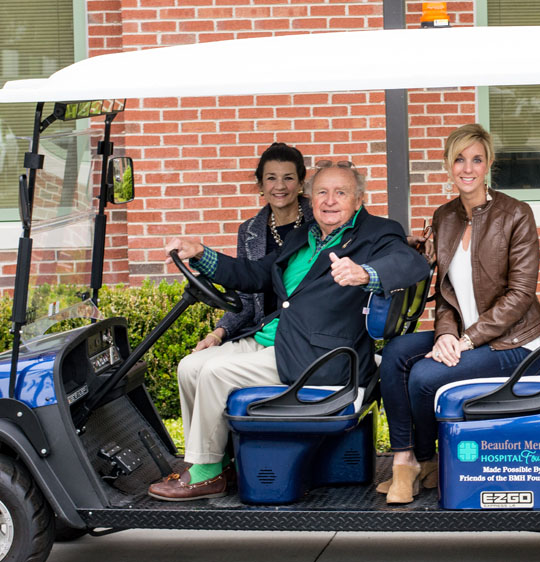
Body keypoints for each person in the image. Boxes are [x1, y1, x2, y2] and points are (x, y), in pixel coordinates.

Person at [148, 160, 430, 501]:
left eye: (340, 193)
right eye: (322, 192)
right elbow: (254, 275)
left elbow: (411, 263)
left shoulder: (377, 232)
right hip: (274, 338)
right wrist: (203, 255)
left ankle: (204, 470)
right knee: (190, 367)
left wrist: (365, 274)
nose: (330, 200)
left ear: (358, 199)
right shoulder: (304, 236)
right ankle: (219, 460)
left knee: (214, 373)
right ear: (311, 199)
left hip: (319, 357)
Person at [376, 123, 540, 504]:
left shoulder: (517, 214)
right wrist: (444, 335)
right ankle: (406, 458)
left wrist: (465, 341)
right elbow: (447, 294)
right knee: (395, 355)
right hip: (469, 336)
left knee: (424, 375)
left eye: (476, 159)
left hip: (519, 343)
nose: (467, 168)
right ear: (447, 164)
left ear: (488, 164)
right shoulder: (445, 217)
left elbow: (521, 295)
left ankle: (425, 460)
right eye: (459, 159)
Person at [194, 142, 313, 352]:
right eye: (271, 178)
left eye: (288, 178)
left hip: (301, 334)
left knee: (215, 372)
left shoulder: (318, 224)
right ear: (260, 185)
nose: (280, 186)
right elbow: (246, 298)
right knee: (190, 366)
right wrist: (218, 333)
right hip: (260, 332)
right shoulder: (249, 231)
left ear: (301, 182)